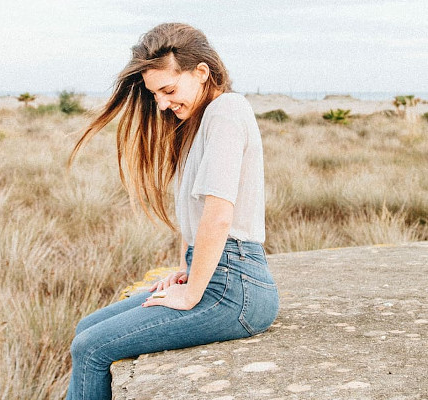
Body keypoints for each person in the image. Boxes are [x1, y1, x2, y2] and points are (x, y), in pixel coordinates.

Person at [66, 22, 279, 400]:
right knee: (87, 328)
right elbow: (196, 221)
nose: (162, 103)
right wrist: (186, 271)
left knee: (92, 349)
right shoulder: (198, 124)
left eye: (168, 90)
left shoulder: (227, 110)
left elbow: (219, 215)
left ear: (201, 72)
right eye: (155, 95)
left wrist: (192, 291)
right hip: (217, 276)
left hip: (236, 289)